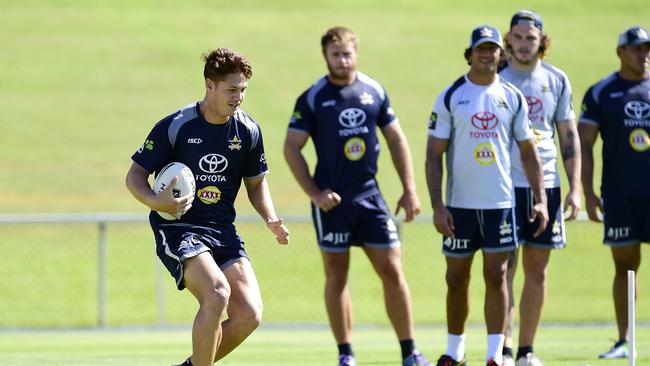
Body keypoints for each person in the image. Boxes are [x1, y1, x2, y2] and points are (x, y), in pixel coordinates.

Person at [125, 48, 290, 366]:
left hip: (222, 230)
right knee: (217, 294)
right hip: (179, 228)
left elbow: (256, 184)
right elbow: (134, 176)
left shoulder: (248, 131)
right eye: (231, 89)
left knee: (249, 315)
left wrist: (271, 217)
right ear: (209, 86)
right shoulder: (177, 126)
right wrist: (154, 201)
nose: (238, 97)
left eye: (243, 90)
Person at [284, 26, 429, 366]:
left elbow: (396, 140)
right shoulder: (313, 98)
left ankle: (410, 352)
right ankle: (346, 355)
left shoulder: (374, 91)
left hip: (370, 198)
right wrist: (315, 193)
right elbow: (292, 148)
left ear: (356, 54)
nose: (342, 60)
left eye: (348, 53)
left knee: (392, 270)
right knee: (336, 274)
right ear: (326, 57)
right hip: (332, 203)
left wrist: (409, 189)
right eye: (336, 54)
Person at [425, 25, 548, 366]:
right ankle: (454, 351)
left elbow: (528, 153)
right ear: (470, 53)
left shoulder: (511, 96)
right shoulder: (452, 95)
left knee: (497, 276)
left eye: (492, 48)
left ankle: (495, 355)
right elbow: (433, 154)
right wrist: (437, 206)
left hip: (499, 205)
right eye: (480, 48)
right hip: (460, 207)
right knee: (456, 278)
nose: (486, 53)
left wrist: (539, 198)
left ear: (500, 54)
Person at [498, 10, 581, 366]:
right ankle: (501, 346)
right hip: (502, 185)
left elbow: (568, 136)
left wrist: (575, 188)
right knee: (502, 269)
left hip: (546, 183)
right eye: (517, 37)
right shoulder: (495, 77)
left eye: (530, 38)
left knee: (537, 270)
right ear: (509, 39)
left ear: (541, 42)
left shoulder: (556, 79)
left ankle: (526, 351)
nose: (523, 44)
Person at [578, 25, 650, 360]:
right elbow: (584, 143)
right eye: (637, 49)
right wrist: (588, 192)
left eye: (647, 49)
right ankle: (625, 340)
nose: (644, 55)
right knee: (625, 265)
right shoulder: (602, 92)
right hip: (620, 196)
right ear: (620, 52)